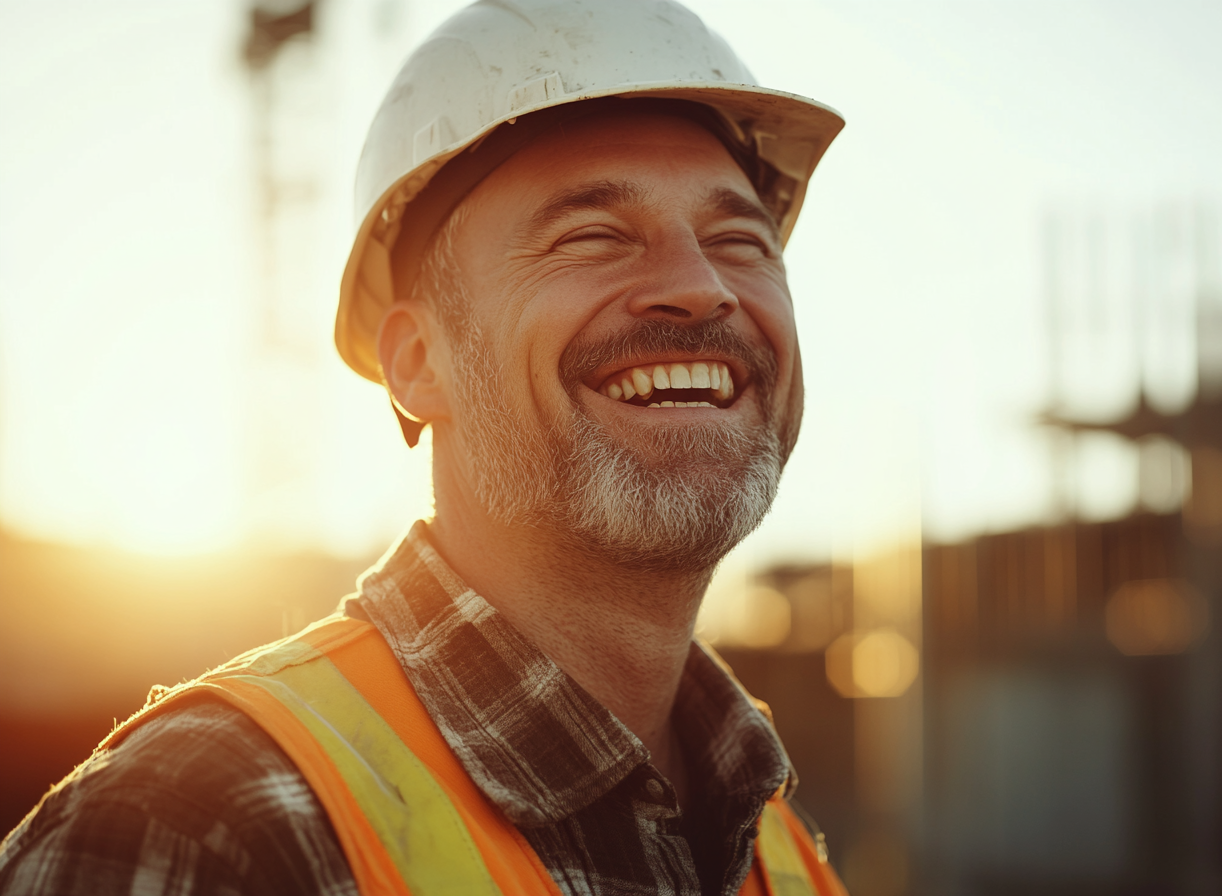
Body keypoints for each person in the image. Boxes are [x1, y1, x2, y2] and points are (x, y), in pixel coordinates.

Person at [0, 1, 846, 893]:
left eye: (739, 241)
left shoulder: (778, 852)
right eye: (592, 237)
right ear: (415, 363)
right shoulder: (204, 824)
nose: (701, 287)